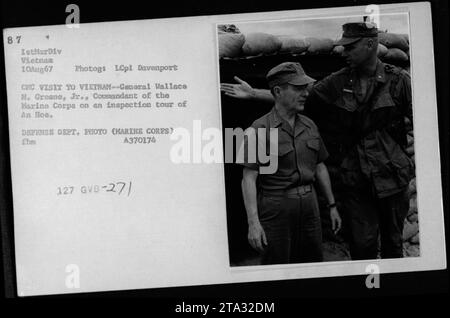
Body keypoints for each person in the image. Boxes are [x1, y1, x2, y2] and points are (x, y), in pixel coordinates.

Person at [221, 22, 414, 260]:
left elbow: (423, 124)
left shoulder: (400, 81)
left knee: (394, 244)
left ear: (370, 44)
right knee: (362, 246)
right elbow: (302, 97)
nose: (344, 52)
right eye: (343, 47)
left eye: (351, 47)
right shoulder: (338, 81)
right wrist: (253, 94)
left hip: (392, 176)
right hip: (358, 180)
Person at [238, 62, 341, 265]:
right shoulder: (259, 128)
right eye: (298, 88)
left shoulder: (310, 124)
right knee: (276, 265)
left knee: (312, 264)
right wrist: (253, 222)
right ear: (278, 91)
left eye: (305, 88)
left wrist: (332, 205)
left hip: (310, 206)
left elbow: (319, 166)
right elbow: (248, 178)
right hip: (276, 207)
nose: (305, 93)